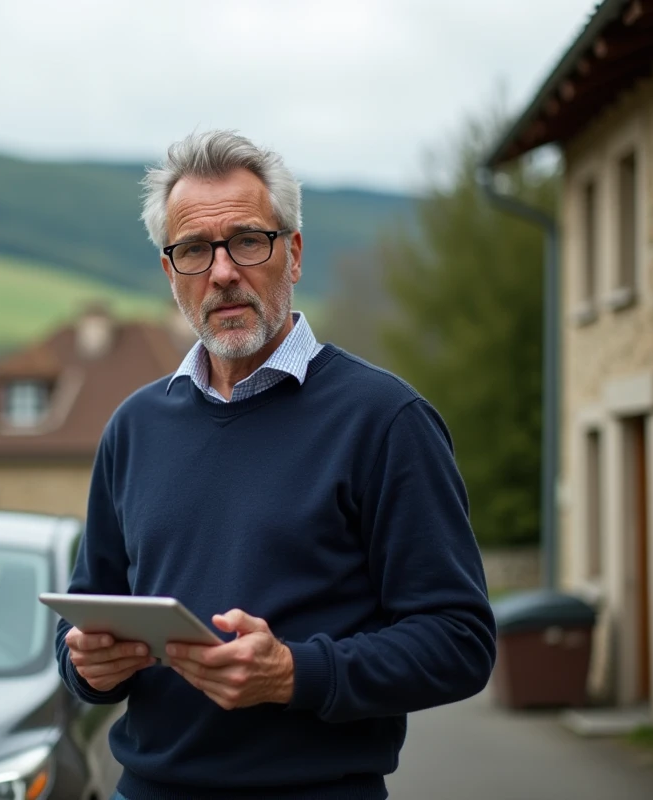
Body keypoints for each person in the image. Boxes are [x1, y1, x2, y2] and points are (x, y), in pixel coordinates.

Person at [53, 130, 497, 800]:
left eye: (247, 241)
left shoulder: (384, 421)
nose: (223, 272)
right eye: (196, 250)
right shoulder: (134, 428)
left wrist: (295, 673)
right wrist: (86, 662)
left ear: (292, 254)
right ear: (171, 275)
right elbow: (87, 616)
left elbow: (459, 642)